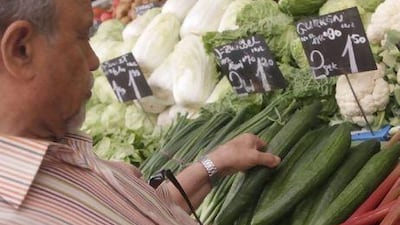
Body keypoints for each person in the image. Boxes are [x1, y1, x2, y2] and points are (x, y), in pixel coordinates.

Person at [0, 0, 281, 224]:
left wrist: (214, 165)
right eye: (82, 36)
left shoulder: (54, 147)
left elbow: (150, 210)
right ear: (20, 49)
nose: (94, 61)